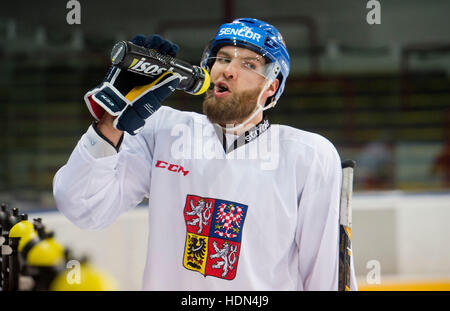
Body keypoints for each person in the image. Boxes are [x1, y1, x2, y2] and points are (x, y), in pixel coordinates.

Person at [53, 18, 357, 290]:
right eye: (222, 58)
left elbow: (326, 275)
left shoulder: (308, 155)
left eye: (249, 65)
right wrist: (111, 122)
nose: (229, 70)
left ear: (271, 88)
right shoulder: (162, 129)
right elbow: (83, 208)